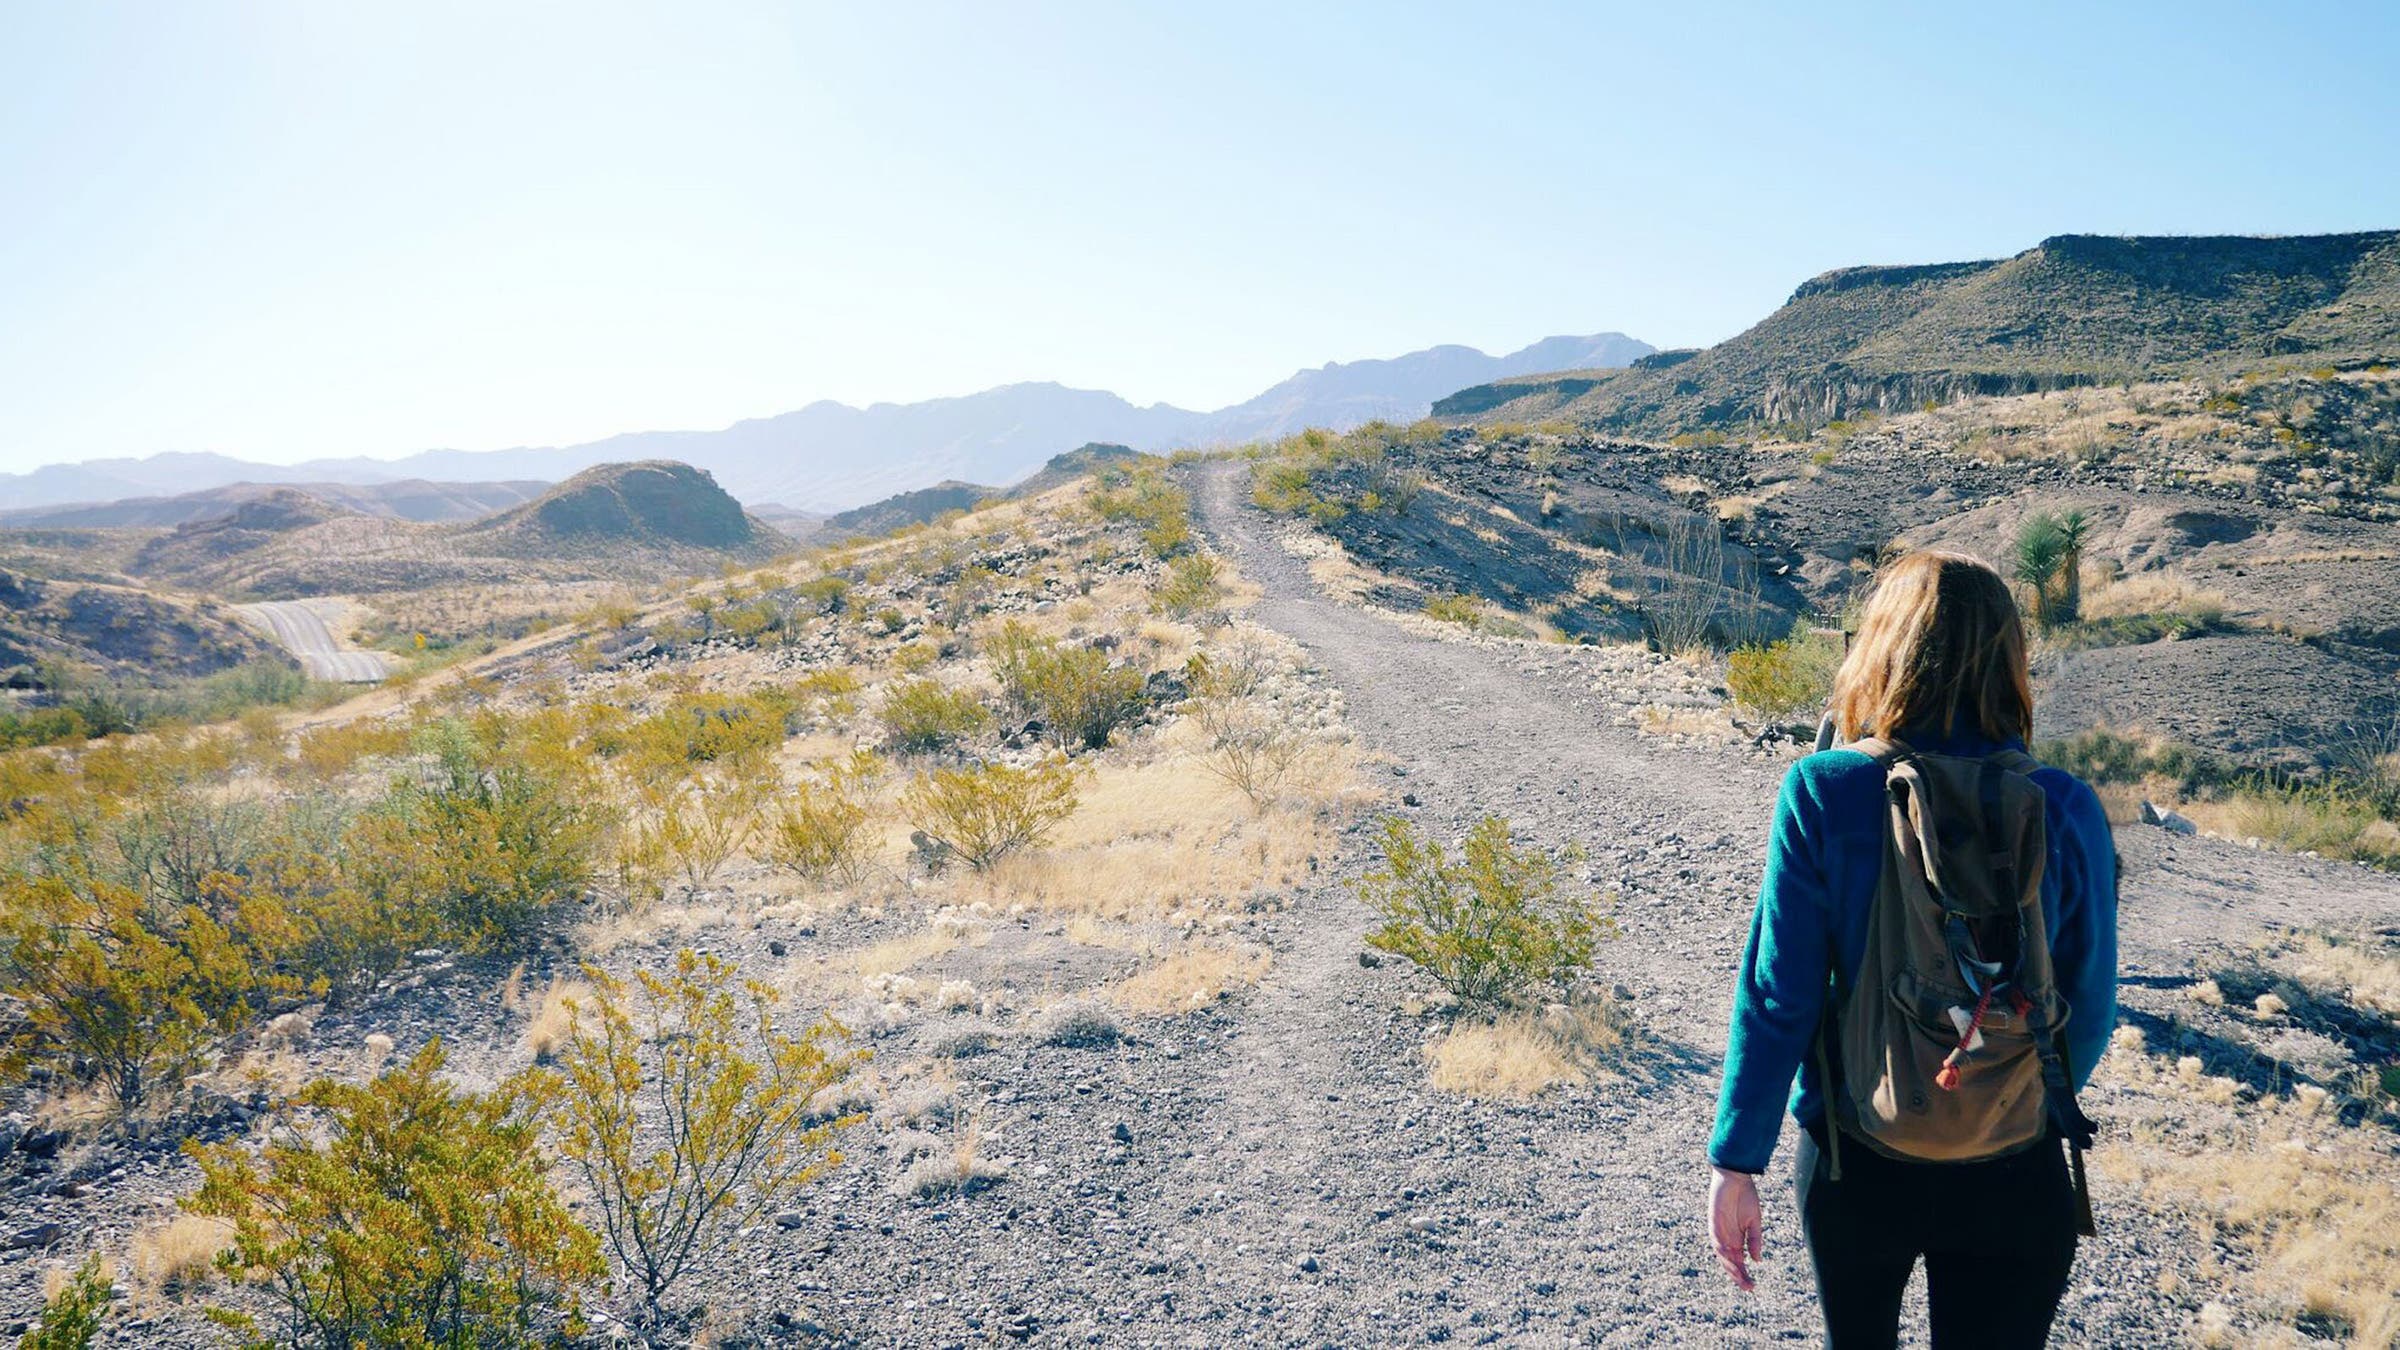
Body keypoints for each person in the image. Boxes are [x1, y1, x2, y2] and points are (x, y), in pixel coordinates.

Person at [1704, 550, 2118, 1349]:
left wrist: (1737, 1160)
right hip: (2016, 1170)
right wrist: (2004, 1096)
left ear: (1883, 647)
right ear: (2009, 658)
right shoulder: (2065, 805)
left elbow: (1779, 996)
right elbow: (2091, 1006)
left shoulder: (1825, 790)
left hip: (1857, 1160)